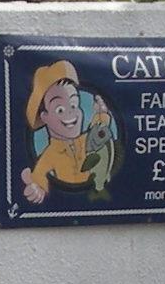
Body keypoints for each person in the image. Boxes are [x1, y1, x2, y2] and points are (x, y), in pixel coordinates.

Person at [20, 59, 120, 205]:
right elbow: (39, 176)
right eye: (60, 109)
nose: (71, 113)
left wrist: (102, 114)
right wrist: (37, 188)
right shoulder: (50, 154)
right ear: (45, 117)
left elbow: (101, 129)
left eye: (74, 104)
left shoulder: (89, 139)